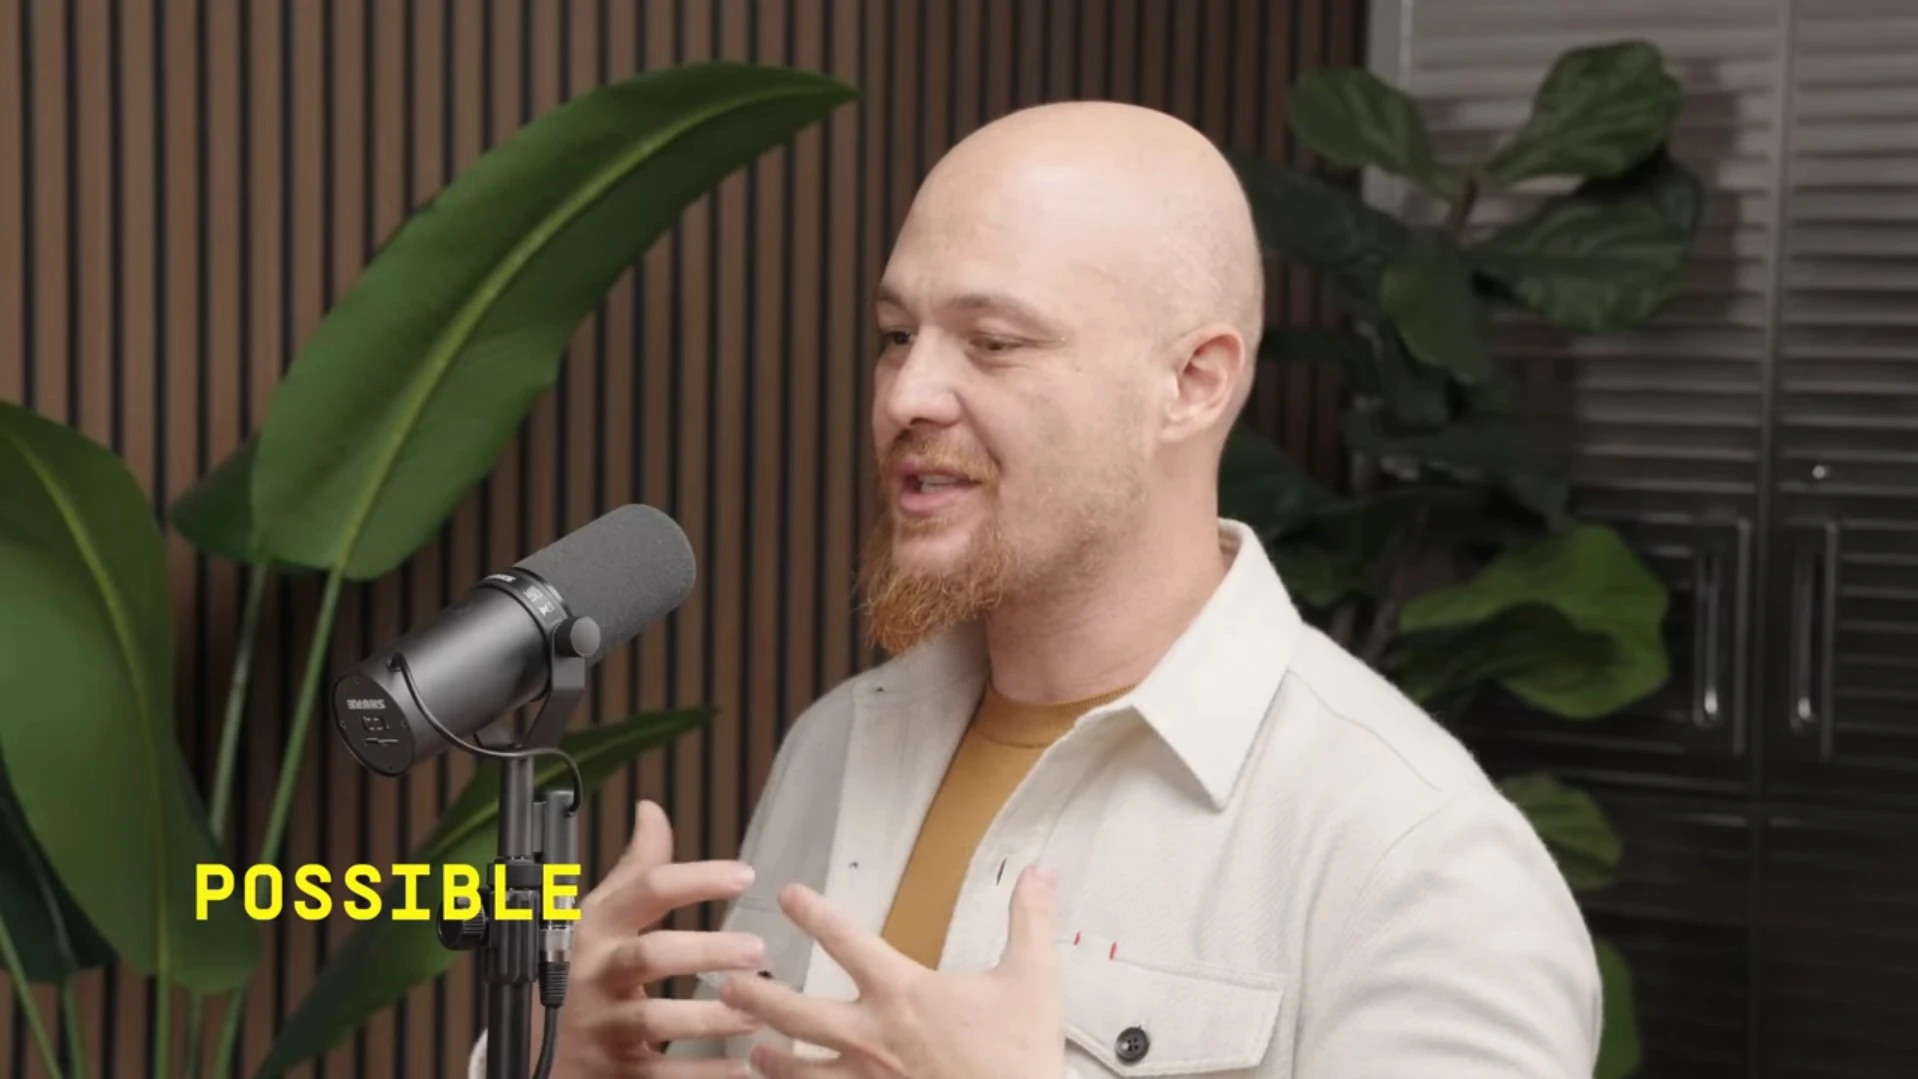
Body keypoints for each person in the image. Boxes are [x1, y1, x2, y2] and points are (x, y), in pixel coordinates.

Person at [470, 100, 1601, 1078]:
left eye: (995, 342)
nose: (906, 394)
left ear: (1193, 382)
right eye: (895, 334)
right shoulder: (841, 741)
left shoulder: (1417, 856)